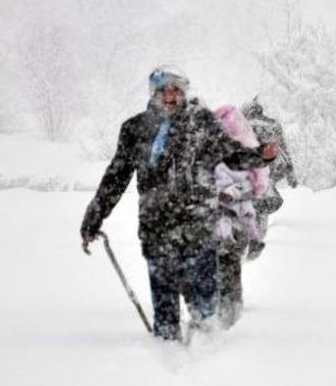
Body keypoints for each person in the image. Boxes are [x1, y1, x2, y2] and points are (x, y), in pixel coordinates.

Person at [80, 67, 278, 341]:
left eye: (176, 91)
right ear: (154, 92)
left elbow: (232, 156)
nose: (171, 97)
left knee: (205, 312)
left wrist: (260, 156)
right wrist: (93, 218)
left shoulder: (202, 125)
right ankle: (167, 364)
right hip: (156, 232)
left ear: (184, 93)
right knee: (165, 316)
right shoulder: (136, 130)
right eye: (165, 91)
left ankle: (207, 362)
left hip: (199, 229)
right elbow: (115, 179)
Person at [212, 104, 270, 328]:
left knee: (225, 264)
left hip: (224, 222)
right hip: (228, 221)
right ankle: (228, 311)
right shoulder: (240, 149)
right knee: (228, 265)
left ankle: (227, 313)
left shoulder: (225, 155)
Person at [241, 98, 298, 259]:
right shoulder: (273, 125)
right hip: (268, 175)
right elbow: (283, 150)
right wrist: (290, 175)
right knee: (261, 209)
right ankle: (257, 243)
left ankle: (250, 245)